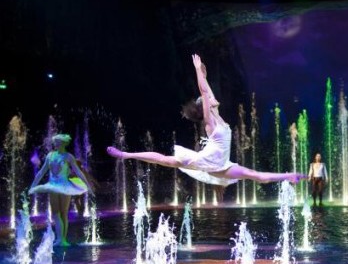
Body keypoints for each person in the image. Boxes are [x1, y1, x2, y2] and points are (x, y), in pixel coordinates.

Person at [107, 54, 306, 190]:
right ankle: (125, 154)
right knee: (164, 160)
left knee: (256, 175)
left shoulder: (216, 114)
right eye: (209, 99)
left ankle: (289, 176)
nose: (213, 97)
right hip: (204, 161)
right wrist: (197, 70)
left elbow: (207, 91)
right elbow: (204, 92)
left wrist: (203, 75)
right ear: (206, 106)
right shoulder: (211, 123)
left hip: (221, 167)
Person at [29, 134, 94, 246]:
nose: (56, 144)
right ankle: (60, 239)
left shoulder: (68, 157)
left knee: (63, 213)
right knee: (55, 213)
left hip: (65, 186)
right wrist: (33, 186)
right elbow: (41, 172)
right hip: (53, 186)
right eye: (55, 142)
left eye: (58, 142)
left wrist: (88, 186)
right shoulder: (50, 156)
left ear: (64, 143)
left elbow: (78, 172)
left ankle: (63, 240)